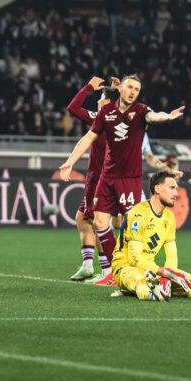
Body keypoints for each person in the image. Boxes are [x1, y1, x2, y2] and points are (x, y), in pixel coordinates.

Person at [58, 75, 184, 286]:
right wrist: (70, 162)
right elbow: (88, 137)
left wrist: (168, 117)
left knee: (130, 226)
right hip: (106, 177)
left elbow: (154, 116)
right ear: (122, 89)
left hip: (129, 179)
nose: (133, 91)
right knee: (98, 222)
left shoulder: (141, 111)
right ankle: (114, 272)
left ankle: (141, 268)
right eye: (130, 87)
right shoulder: (105, 112)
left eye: (137, 89)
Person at [110, 169, 191, 301]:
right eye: (172, 188)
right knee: (142, 283)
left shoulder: (170, 217)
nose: (176, 194)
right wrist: (163, 272)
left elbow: (171, 255)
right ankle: (150, 293)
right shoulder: (138, 214)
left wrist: (170, 274)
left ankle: (158, 288)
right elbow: (134, 260)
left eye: (176, 189)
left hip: (151, 270)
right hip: (125, 268)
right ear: (158, 189)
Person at [64, 76, 119, 282]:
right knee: (83, 217)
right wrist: (118, 92)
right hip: (105, 177)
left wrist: (88, 87)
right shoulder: (117, 117)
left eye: (101, 97)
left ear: (106, 102)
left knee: (98, 223)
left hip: (99, 179)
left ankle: (108, 273)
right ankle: (89, 267)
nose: (97, 100)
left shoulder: (101, 117)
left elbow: (73, 107)